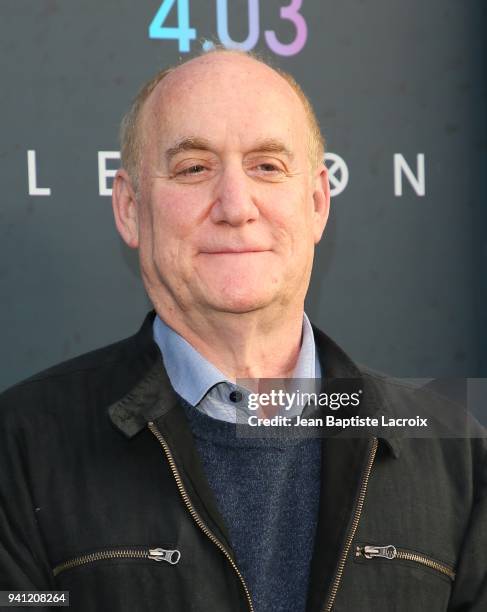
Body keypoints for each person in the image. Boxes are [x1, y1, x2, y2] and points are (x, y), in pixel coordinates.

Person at [0, 49, 485, 612]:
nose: (235, 206)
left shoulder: (455, 451)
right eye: (193, 168)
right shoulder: (20, 448)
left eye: (267, 166)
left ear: (318, 204)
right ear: (131, 208)